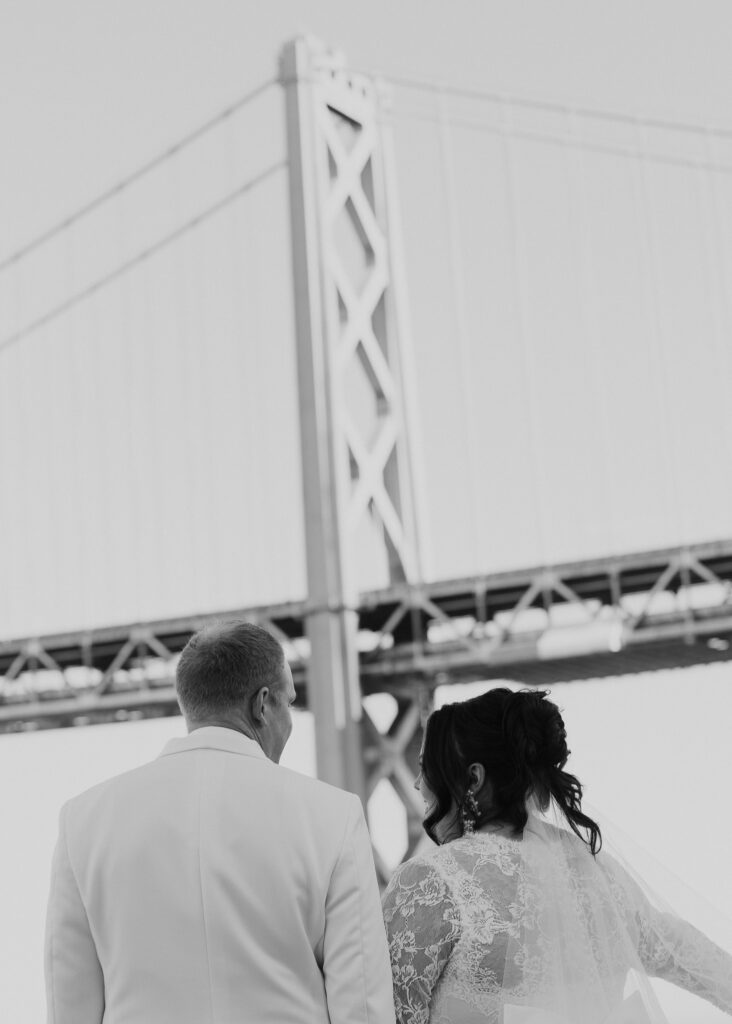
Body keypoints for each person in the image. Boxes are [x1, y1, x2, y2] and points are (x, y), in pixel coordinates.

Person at [44, 620, 396, 1024]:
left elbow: (69, 1009)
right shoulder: (334, 815)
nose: (290, 721)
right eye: (290, 703)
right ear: (262, 704)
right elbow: (364, 1011)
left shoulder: (83, 823)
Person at [381, 687, 732, 1024]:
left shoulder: (429, 885)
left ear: (473, 779)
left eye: (427, 768)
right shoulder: (602, 879)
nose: (418, 784)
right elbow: (697, 961)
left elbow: (377, 1015)